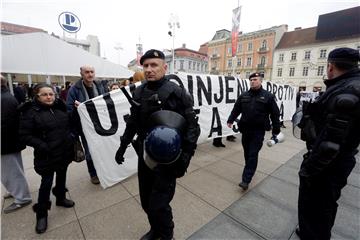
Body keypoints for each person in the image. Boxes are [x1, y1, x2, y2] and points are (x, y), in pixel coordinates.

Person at [115, 49, 200, 240]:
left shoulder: (176, 93)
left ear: (164, 67)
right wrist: (122, 146)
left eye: (154, 65)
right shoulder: (139, 91)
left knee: (159, 204)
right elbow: (133, 122)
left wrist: (184, 159)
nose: (149, 69)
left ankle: (167, 235)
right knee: (146, 201)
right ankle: (156, 230)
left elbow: (193, 129)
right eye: (145, 65)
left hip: (168, 159)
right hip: (145, 155)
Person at [296, 47, 360, 240]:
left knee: (317, 207)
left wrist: (309, 169)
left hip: (327, 167)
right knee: (324, 207)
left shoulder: (348, 92)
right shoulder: (349, 86)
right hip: (337, 162)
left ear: (331, 67)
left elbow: (331, 143)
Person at [19, 83, 75, 234]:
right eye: (44, 94)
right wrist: (43, 146)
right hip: (47, 156)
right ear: (37, 96)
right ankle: (41, 214)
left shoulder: (60, 106)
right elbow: (25, 135)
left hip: (64, 152)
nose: (49, 97)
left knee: (62, 176)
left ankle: (61, 198)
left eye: (51, 94)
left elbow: (69, 122)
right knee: (46, 183)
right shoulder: (30, 112)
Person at [227, 72, 280, 190]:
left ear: (261, 81)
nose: (252, 81)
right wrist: (230, 120)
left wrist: (276, 130)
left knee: (252, 154)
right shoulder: (244, 96)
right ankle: (250, 168)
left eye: (255, 79)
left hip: (258, 131)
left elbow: (275, 114)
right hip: (245, 130)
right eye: (251, 80)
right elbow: (236, 109)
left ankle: (246, 179)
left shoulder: (268, 96)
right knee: (247, 153)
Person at [66, 65, 106, 184]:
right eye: (87, 72)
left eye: (92, 72)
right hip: (84, 127)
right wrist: (79, 109)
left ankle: (104, 170)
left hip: (100, 124)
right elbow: (68, 108)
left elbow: (106, 100)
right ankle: (93, 174)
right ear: (82, 74)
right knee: (90, 151)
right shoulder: (74, 89)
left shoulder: (100, 86)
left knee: (103, 149)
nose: (90, 74)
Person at [1, 75, 32, 214]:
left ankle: (22, 197)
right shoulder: (6, 96)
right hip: (9, 142)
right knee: (12, 170)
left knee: (11, 171)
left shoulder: (3, 99)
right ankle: (15, 191)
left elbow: (5, 124)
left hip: (6, 143)